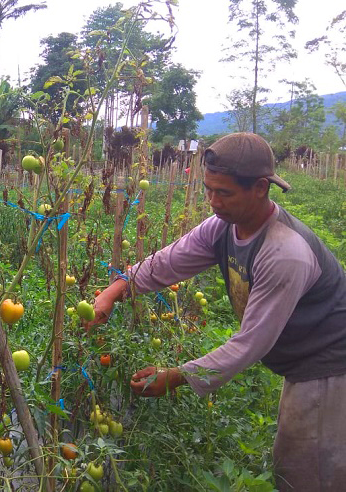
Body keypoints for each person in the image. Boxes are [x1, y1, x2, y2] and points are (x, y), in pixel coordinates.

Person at [88, 132, 346, 492]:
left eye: (223, 193)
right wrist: (118, 288)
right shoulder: (224, 226)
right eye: (208, 189)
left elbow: (249, 344)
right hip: (301, 361)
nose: (212, 201)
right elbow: (170, 261)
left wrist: (177, 375)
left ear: (260, 188)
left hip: (330, 367)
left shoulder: (284, 253)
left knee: (308, 473)